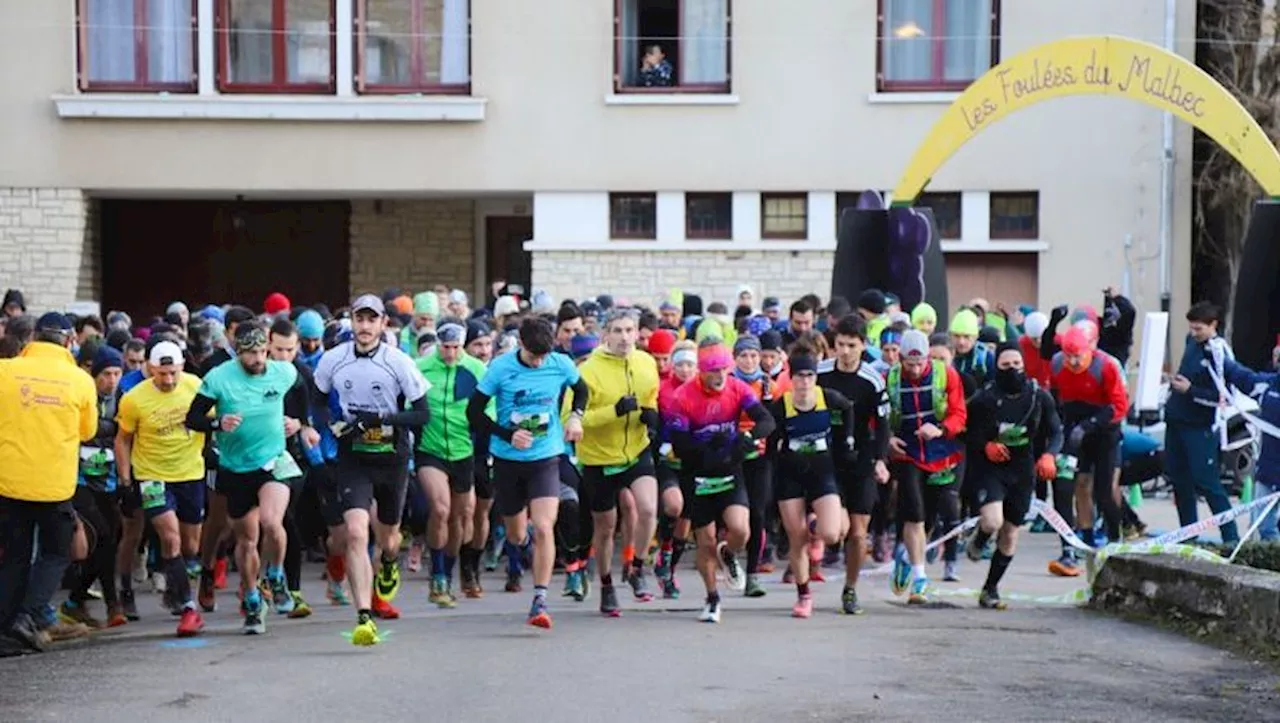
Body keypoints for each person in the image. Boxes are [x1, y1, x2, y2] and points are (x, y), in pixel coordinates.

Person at [312, 294, 430, 646]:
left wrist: (382, 418)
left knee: (388, 537)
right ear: (352, 322)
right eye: (359, 319)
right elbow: (316, 400)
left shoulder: (399, 362)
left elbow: (422, 414)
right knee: (356, 533)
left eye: (371, 320)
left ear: (383, 324)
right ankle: (364, 615)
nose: (364, 327)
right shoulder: (333, 360)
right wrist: (330, 424)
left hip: (391, 456)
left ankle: (390, 561)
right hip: (354, 457)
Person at [466, 317, 588, 629]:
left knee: (546, 526)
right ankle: (526, 537)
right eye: (534, 356)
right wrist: (507, 434)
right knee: (517, 534)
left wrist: (575, 417)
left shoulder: (559, 363)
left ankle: (540, 599)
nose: (539, 363)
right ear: (520, 343)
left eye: (543, 356)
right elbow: (474, 412)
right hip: (508, 460)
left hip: (546, 457)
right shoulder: (501, 368)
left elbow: (581, 390)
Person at [185, 323, 305, 635]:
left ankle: (276, 576)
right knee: (246, 540)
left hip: (273, 460)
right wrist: (217, 423)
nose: (259, 358)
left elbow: (304, 391)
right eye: (251, 353)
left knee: (271, 522)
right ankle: (252, 599)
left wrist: (300, 422)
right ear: (239, 353)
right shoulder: (219, 377)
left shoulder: (282, 372)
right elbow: (193, 418)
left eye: (262, 351)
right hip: (236, 467)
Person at [0, 312, 97, 657]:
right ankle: (26, 615)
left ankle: (6, 628)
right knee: (56, 552)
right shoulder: (80, 380)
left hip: (8, 482)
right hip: (53, 485)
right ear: (69, 341)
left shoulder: (5, 371)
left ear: (32, 340)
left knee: (14, 556)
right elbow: (87, 431)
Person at [663, 339, 776, 623]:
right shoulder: (683, 397)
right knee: (706, 541)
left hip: (729, 469)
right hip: (698, 474)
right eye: (713, 371)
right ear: (701, 371)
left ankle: (730, 553)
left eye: (724, 370)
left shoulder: (737, 388)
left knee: (740, 529)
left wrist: (746, 439)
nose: (720, 377)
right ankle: (712, 598)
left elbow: (766, 420)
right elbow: (681, 443)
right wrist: (709, 445)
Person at [115, 340, 208, 638]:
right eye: (161, 374)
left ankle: (174, 588)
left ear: (182, 367)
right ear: (150, 369)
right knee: (170, 537)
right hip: (151, 475)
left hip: (190, 473)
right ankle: (187, 605)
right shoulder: (134, 398)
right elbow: (123, 439)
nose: (168, 380)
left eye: (173, 373)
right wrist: (126, 480)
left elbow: (214, 420)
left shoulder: (196, 386)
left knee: (191, 545)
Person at [965, 343, 1063, 609]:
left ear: (1024, 365)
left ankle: (990, 588)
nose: (1012, 370)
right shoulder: (984, 398)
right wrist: (985, 445)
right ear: (996, 367)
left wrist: (1049, 455)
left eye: (1016, 365)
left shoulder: (1038, 397)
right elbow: (966, 431)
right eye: (1006, 366)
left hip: (1022, 468)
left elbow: (1056, 431)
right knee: (993, 520)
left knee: (1010, 532)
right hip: (991, 468)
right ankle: (981, 537)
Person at [576, 310, 661, 614]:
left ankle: (636, 567)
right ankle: (607, 585)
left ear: (638, 333)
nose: (624, 337)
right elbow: (573, 420)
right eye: (617, 331)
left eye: (629, 330)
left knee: (649, 508)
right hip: (599, 457)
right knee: (606, 527)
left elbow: (651, 396)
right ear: (605, 335)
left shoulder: (646, 362)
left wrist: (651, 414)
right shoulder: (588, 372)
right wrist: (614, 411)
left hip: (636, 450)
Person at [768, 348, 857, 618]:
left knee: (832, 534)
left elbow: (849, 409)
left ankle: (815, 524)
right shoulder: (780, 406)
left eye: (809, 375)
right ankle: (803, 595)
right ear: (790, 377)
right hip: (791, 475)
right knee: (797, 538)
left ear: (816, 377)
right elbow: (771, 442)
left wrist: (848, 441)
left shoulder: (828, 399)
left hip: (822, 472)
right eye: (799, 376)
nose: (805, 382)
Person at [885, 330, 967, 604]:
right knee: (914, 513)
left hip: (941, 452)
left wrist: (942, 429)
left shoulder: (947, 374)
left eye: (920, 363)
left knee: (930, 517)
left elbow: (959, 414)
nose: (916, 369)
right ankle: (920, 579)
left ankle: (907, 557)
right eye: (910, 364)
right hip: (907, 453)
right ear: (901, 359)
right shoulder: (891, 377)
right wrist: (887, 439)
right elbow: (879, 416)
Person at [819, 315, 891, 615]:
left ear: (863, 345)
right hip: (827, 457)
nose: (845, 351)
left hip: (861, 458)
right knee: (834, 531)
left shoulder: (873, 379)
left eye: (851, 345)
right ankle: (823, 542)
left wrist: (881, 460)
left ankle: (850, 589)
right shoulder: (821, 373)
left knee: (859, 533)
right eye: (840, 345)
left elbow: (884, 424)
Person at [415, 322, 488, 607]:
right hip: (430, 449)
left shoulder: (476, 370)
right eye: (446, 347)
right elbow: (408, 403)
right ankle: (438, 575)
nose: (450, 353)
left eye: (456, 348)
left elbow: (489, 406)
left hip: (463, 450)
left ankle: (448, 567)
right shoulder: (421, 367)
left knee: (462, 516)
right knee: (440, 508)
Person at [61, 346, 128, 630]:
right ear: (93, 373)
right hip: (80, 479)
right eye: (106, 374)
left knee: (109, 540)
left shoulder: (123, 399)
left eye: (116, 373)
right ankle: (113, 605)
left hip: (109, 479)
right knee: (99, 534)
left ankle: (75, 601)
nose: (111, 380)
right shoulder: (81, 394)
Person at [1163, 302, 1241, 544]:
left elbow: (1225, 397)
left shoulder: (1219, 351)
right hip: (1176, 420)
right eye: (1192, 328)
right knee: (1179, 478)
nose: (1194, 333)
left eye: (1199, 329)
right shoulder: (1191, 342)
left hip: (1199, 426)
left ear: (1213, 325)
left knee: (1206, 481)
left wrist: (1191, 391)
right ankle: (1188, 533)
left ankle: (1230, 536)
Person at [1050, 325, 1130, 553]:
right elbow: (1055, 397)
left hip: (1105, 430)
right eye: (1069, 356)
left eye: (1078, 356)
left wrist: (1090, 425)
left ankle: (1115, 535)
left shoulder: (1106, 366)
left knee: (1105, 491)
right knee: (1079, 485)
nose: (1074, 362)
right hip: (1076, 428)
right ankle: (1084, 537)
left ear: (1089, 350)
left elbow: (1119, 406)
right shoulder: (1057, 364)